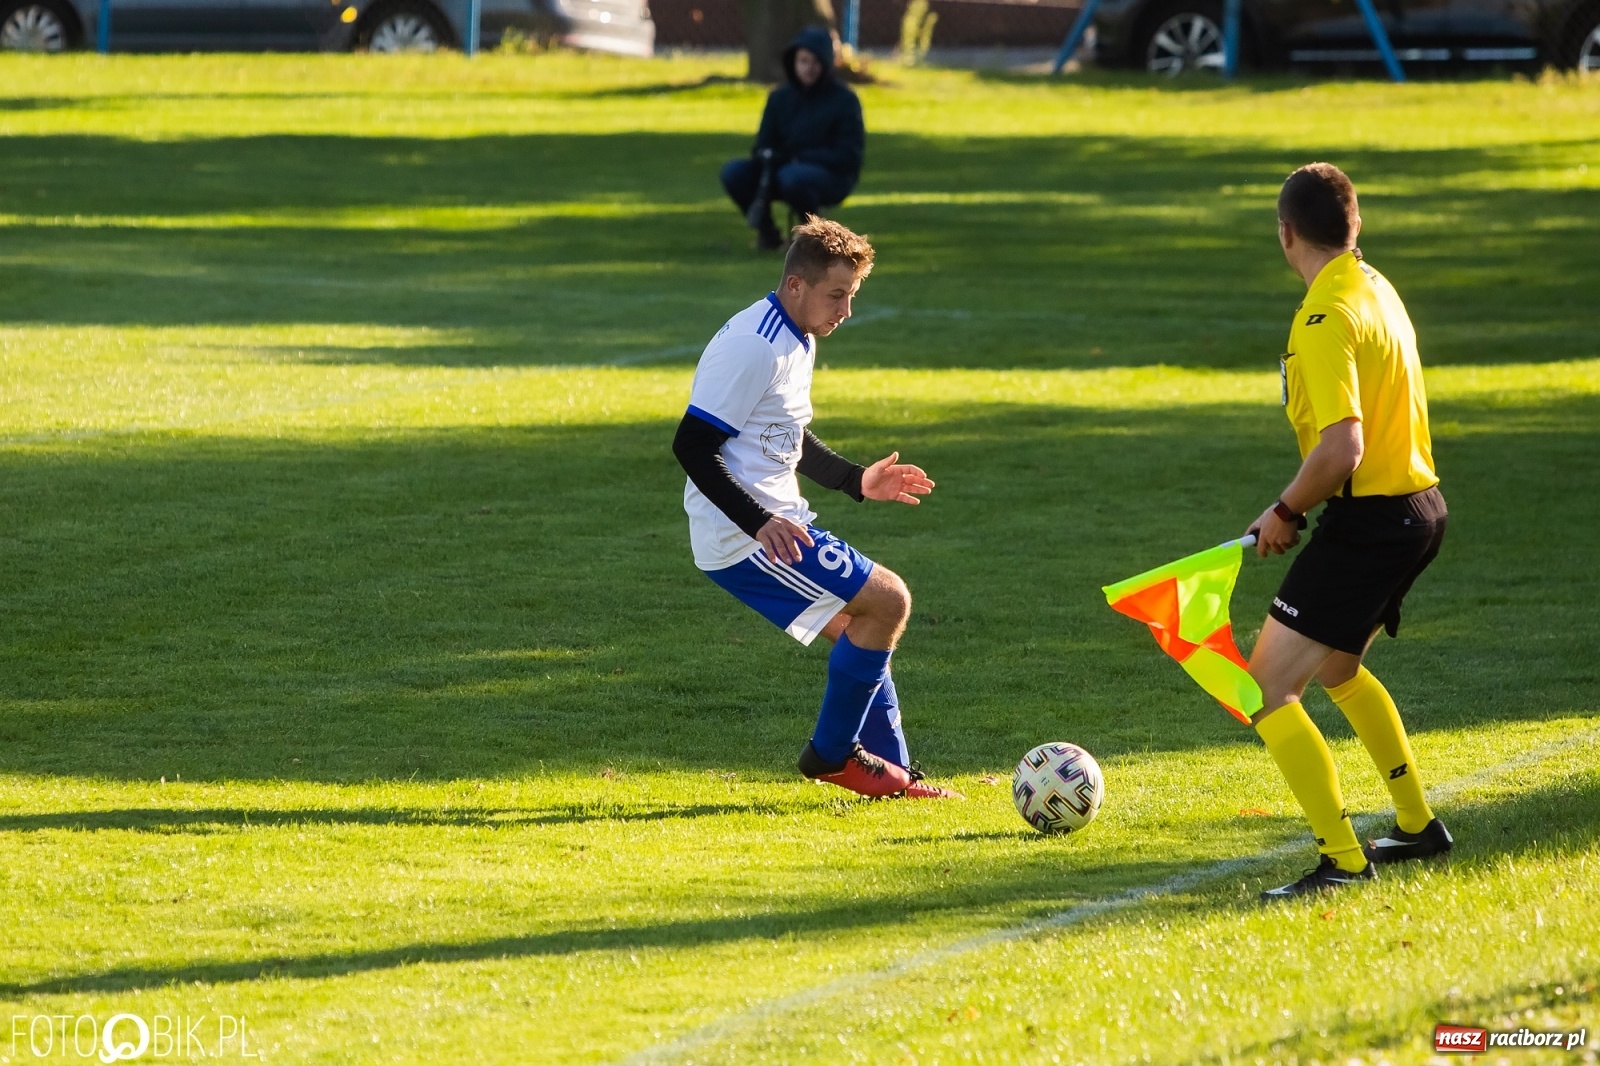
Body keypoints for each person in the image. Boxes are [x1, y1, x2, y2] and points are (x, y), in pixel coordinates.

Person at [671, 219, 961, 800]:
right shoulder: (755, 347)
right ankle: (831, 755)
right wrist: (759, 521)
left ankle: (896, 778)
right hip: (747, 536)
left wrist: (857, 480)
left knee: (865, 627)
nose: (846, 311)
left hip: (766, 524)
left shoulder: (795, 335)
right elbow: (691, 445)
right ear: (797, 285)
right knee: (889, 601)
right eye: (838, 295)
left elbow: (785, 435)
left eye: (852, 296)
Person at [1246, 163, 1454, 900]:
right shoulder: (1375, 286)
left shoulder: (1323, 316)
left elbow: (1341, 449)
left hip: (1371, 520)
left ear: (1286, 233)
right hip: (1418, 509)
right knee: (1335, 668)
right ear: (1353, 227)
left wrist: (1285, 511)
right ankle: (1416, 824)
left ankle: (1342, 859)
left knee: (1267, 685)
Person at [720, 27, 865, 251]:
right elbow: (763, 141)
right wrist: (768, 155)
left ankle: (814, 237)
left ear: (826, 64)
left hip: (830, 175)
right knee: (734, 173)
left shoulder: (844, 100)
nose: (809, 68)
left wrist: (801, 158)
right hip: (781, 168)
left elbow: (848, 155)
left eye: (816, 61)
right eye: (803, 61)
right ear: (793, 62)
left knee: (793, 178)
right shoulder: (780, 97)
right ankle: (767, 233)